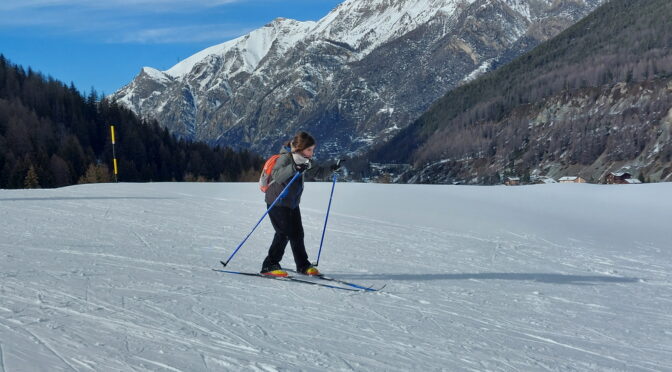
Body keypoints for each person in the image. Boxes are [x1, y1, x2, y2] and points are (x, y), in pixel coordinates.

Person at [261, 131, 321, 277]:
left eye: (312, 149)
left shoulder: (304, 160)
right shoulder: (285, 158)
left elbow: (316, 173)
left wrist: (332, 169)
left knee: (297, 234)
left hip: (292, 203)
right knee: (283, 233)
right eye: (309, 149)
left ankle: (303, 265)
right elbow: (278, 176)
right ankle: (269, 265)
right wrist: (294, 168)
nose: (312, 153)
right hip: (277, 201)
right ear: (300, 148)